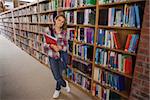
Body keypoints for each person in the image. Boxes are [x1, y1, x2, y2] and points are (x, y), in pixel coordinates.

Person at [44, 14, 70, 99]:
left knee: (60, 75)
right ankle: (65, 84)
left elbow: (66, 47)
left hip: (62, 56)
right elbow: (44, 45)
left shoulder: (64, 32)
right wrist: (52, 46)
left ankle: (57, 89)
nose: (60, 23)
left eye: (62, 22)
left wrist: (60, 47)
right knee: (56, 76)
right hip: (52, 56)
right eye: (59, 20)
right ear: (55, 20)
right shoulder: (48, 30)